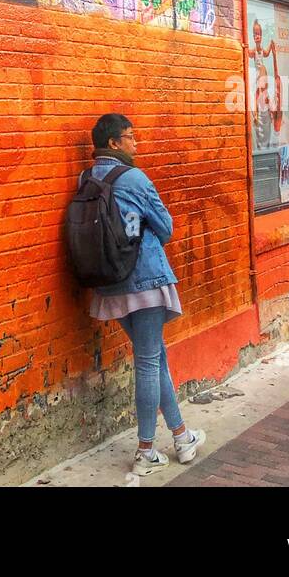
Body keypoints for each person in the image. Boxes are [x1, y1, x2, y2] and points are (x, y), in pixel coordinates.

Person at [87, 112, 205, 475]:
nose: (136, 144)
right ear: (113, 144)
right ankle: (145, 451)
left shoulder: (86, 177)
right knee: (149, 362)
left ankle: (182, 437)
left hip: (109, 284)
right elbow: (166, 227)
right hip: (145, 281)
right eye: (130, 137)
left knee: (154, 357)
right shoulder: (134, 177)